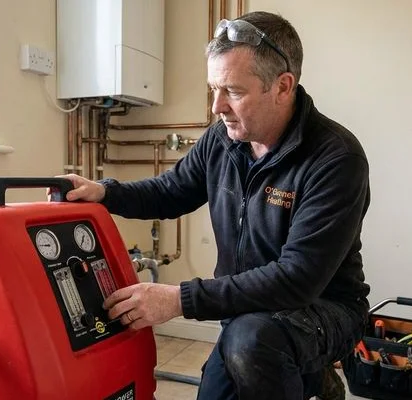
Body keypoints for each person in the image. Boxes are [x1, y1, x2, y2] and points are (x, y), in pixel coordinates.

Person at [59, 11, 370, 400]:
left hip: (323, 309)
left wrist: (179, 299)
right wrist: (104, 193)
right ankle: (308, 378)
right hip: (247, 314)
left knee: (251, 343)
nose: (216, 107)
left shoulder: (335, 158)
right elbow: (170, 191)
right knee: (233, 364)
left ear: (283, 86)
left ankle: (308, 371)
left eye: (233, 92)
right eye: (213, 89)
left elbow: (297, 278)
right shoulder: (222, 140)